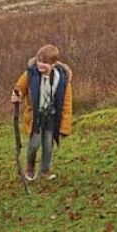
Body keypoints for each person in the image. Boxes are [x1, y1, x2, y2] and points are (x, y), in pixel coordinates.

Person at [11, 44, 74, 181]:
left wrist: (65, 126)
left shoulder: (62, 80)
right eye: (39, 61)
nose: (41, 65)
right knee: (34, 144)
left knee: (48, 145)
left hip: (52, 117)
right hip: (36, 117)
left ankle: (45, 170)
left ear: (53, 63)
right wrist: (17, 94)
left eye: (45, 62)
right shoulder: (30, 74)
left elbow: (67, 104)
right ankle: (30, 168)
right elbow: (20, 87)